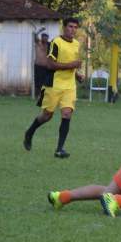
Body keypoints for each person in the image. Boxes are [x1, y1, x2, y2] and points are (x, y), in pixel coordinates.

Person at [23, 18, 84, 158]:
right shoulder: (56, 42)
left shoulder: (76, 44)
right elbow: (50, 65)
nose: (73, 29)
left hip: (69, 86)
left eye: (75, 27)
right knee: (47, 116)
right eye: (70, 26)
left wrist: (77, 75)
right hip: (53, 84)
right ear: (64, 27)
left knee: (67, 114)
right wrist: (72, 65)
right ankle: (30, 132)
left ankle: (59, 149)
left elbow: (71, 64)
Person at [32, 29, 50, 104]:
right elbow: (35, 36)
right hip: (38, 66)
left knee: (45, 83)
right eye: (43, 37)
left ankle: (43, 97)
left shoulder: (49, 45)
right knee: (37, 83)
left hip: (45, 67)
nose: (44, 38)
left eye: (46, 37)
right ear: (41, 37)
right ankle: (37, 97)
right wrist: (40, 30)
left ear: (47, 38)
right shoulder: (38, 43)